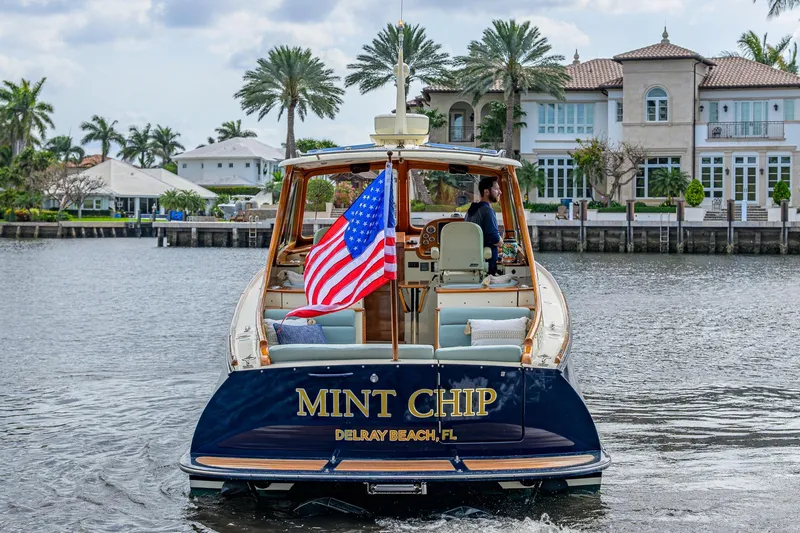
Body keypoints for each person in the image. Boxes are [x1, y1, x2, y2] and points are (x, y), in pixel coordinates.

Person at [465, 176, 502, 275]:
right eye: (496, 189)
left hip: (470, 261)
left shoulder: (471, 210)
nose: (500, 192)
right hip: (487, 267)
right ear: (486, 192)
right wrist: (503, 243)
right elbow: (495, 239)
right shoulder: (488, 211)